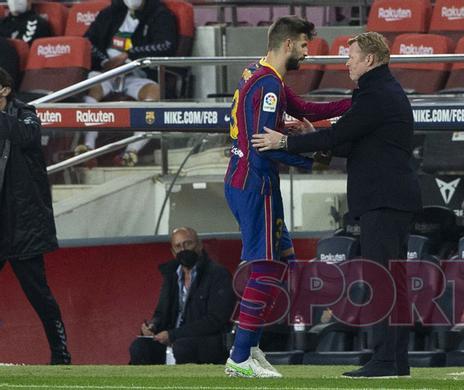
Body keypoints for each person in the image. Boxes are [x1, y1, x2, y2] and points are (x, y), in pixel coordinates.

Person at [252, 31, 423, 378]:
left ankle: (386, 360)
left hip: (384, 199)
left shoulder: (376, 94)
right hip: (392, 198)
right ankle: (395, 359)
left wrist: (284, 140)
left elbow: (339, 136)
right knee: (393, 281)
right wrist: (307, 135)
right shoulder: (379, 92)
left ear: (370, 60)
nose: (346, 64)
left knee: (382, 281)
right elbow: (349, 143)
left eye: (352, 57)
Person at [223, 15, 351, 378]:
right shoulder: (269, 87)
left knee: (280, 265)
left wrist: (353, 103)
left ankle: (250, 348)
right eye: (305, 45)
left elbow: (306, 111)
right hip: (255, 183)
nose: (308, 53)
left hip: (249, 179)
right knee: (265, 268)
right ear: (289, 43)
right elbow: (265, 147)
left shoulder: (259, 74)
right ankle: (239, 358)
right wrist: (309, 160)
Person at [0, 67, 71, 365]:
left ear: (4, 90)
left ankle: (61, 353)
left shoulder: (25, 114)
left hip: (22, 224)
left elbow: (27, 136)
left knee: (38, 294)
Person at [77, 0, 177, 166]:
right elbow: (88, 42)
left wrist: (129, 57)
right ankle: (88, 147)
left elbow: (165, 46)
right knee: (91, 88)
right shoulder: (110, 12)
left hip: (137, 72)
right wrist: (104, 63)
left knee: (155, 92)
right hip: (106, 72)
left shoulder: (161, 14)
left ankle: (131, 151)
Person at [129, 227, 235, 365]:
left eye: (188, 243)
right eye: (178, 246)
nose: (183, 249)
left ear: (199, 245)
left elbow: (216, 319)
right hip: (174, 338)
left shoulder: (218, 274)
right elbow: (161, 313)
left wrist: (174, 335)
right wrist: (152, 325)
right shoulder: (171, 276)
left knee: (182, 347)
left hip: (206, 341)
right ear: (173, 252)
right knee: (140, 346)